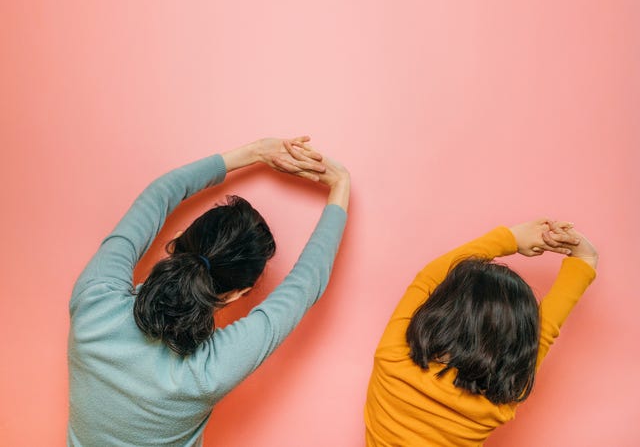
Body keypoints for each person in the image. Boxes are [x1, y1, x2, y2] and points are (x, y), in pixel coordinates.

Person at [67, 136, 350, 447]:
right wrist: (339, 184)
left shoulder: (93, 301)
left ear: (176, 240)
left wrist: (253, 153)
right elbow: (305, 285)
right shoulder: (211, 369)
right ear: (235, 294)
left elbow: (159, 195)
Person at [364, 219, 598, 446]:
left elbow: (429, 277)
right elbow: (545, 331)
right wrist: (585, 257)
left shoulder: (393, 357)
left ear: (441, 308)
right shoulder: (502, 394)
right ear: (519, 343)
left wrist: (511, 238)